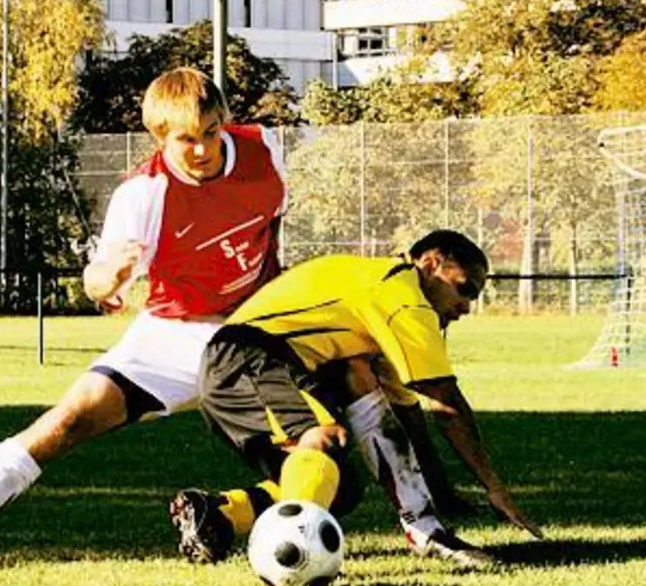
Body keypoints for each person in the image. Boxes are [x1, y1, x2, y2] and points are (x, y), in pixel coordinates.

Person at [0, 67, 289, 567]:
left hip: (253, 333)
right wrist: (109, 279)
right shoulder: (143, 194)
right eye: (186, 140)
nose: (202, 150)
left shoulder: (265, 149)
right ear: (160, 139)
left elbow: (271, 223)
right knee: (65, 420)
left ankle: (231, 516)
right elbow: (97, 278)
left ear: (223, 121)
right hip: (170, 337)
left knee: (318, 452)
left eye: (210, 133)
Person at [169, 230, 545, 568]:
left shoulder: (382, 303)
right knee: (322, 440)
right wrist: (495, 487)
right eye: (465, 289)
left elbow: (408, 414)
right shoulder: (402, 295)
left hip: (263, 361)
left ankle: (218, 514)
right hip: (250, 357)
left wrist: (441, 495)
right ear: (432, 264)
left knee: (340, 486)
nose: (466, 306)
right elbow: (446, 404)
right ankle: (291, 555)